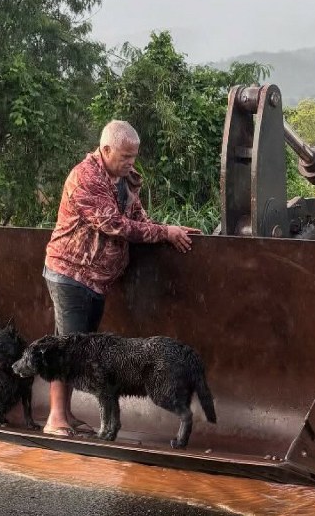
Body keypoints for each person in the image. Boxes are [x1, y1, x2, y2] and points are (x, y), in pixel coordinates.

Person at [39, 120, 200, 437]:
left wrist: (167, 232)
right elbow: (115, 226)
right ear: (106, 149)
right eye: (126, 156)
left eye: (134, 157)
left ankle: (67, 415)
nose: (131, 163)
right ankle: (54, 419)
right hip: (69, 272)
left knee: (79, 346)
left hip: (97, 280)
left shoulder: (123, 181)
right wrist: (163, 233)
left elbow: (138, 219)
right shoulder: (85, 178)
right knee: (66, 347)